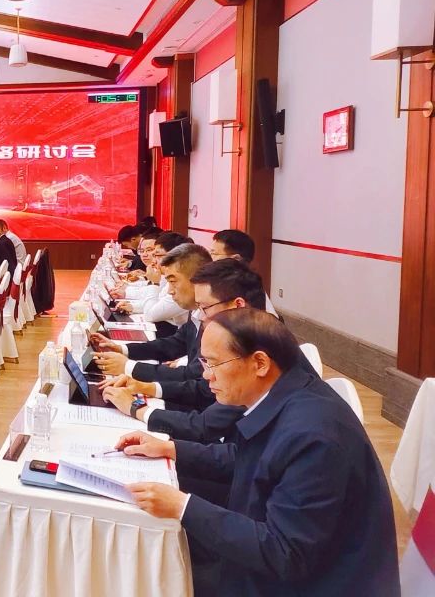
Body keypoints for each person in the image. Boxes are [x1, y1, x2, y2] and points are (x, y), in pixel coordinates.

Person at [116, 309, 399, 597]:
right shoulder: (286, 395)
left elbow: (285, 553)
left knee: (145, 576)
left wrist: (183, 506)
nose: (206, 375)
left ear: (260, 363)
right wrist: (171, 448)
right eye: (204, 362)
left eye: (214, 363)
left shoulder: (314, 437)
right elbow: (251, 457)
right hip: (273, 556)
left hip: (310, 582)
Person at [100, 259, 266, 438]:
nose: (200, 316)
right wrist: (144, 387)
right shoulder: (228, 330)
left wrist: (136, 407)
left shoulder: (253, 349)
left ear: (238, 305)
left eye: (205, 307)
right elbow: (200, 387)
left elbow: (206, 424)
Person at [91, 243, 212, 378]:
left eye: (173, 282)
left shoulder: (214, 322)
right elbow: (174, 344)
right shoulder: (196, 311)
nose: (170, 291)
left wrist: (129, 367)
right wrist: (122, 349)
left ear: (197, 280)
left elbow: (196, 380)